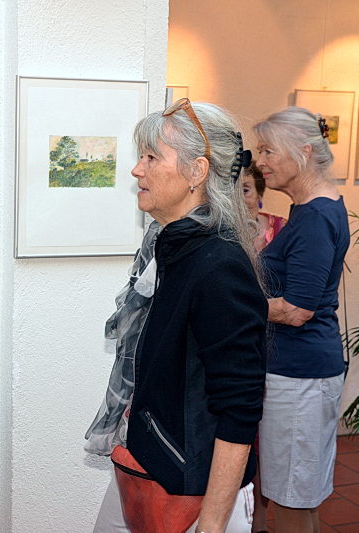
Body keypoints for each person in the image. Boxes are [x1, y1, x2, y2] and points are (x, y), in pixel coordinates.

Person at [93, 99, 267, 533]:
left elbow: (240, 408)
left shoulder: (218, 264)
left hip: (193, 492)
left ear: (197, 172)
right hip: (149, 461)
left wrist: (212, 523)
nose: (137, 170)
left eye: (152, 158)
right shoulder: (169, 247)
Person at [254, 107, 349, 533]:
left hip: (300, 375)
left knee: (291, 499)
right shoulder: (312, 209)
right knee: (298, 494)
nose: (261, 161)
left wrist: (235, 303)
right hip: (301, 372)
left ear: (304, 152)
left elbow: (296, 309)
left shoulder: (314, 217)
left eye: (268, 151)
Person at [240, 161, 286, 533]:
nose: (240, 197)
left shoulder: (281, 230)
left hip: (279, 343)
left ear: (259, 194)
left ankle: (266, 515)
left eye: (246, 190)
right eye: (234, 189)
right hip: (242, 344)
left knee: (273, 437)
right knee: (246, 434)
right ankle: (252, 519)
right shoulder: (221, 232)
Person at [241, 161, 286, 253]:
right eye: (231, 191)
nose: (238, 199)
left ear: (259, 195)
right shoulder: (217, 231)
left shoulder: (281, 228)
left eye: (245, 190)